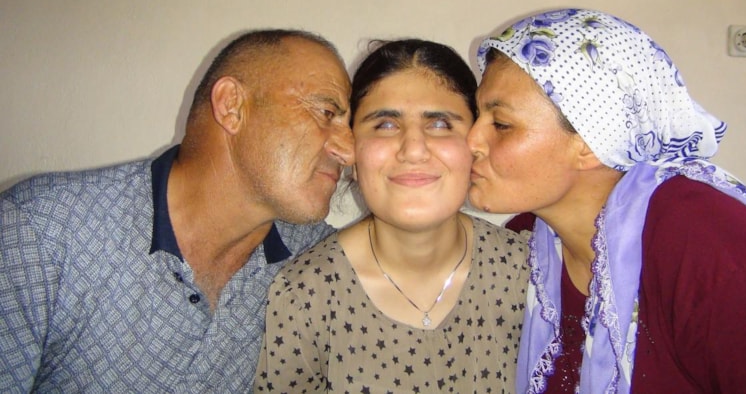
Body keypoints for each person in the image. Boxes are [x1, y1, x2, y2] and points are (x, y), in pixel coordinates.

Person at [0, 29, 354, 392]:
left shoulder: (313, 258)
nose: (348, 151)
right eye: (326, 112)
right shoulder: (43, 231)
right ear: (232, 106)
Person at [467, 8, 746, 394]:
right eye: (477, 116)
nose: (470, 141)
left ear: (592, 140)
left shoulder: (713, 254)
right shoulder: (527, 241)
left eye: (501, 124)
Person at [253, 39, 530, 393]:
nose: (413, 150)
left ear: (475, 145)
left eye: (440, 124)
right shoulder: (306, 296)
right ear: (352, 150)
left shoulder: (527, 274)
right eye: (385, 125)